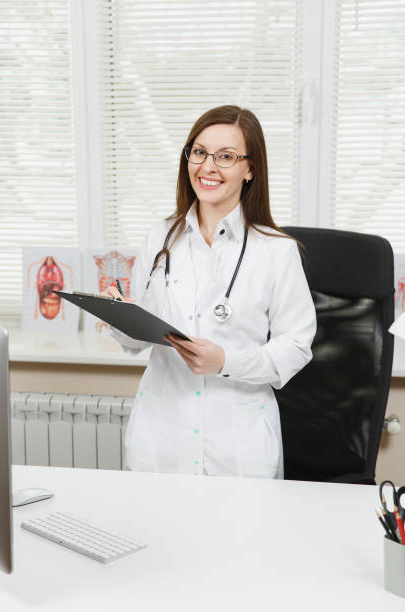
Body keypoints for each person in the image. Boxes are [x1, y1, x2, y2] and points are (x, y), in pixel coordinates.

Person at [103, 105, 317, 478]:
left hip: (238, 444)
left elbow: (296, 347)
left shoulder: (277, 251)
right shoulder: (160, 237)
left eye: (226, 156)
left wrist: (225, 362)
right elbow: (137, 339)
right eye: (199, 152)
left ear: (250, 170)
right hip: (161, 437)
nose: (208, 167)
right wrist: (118, 316)